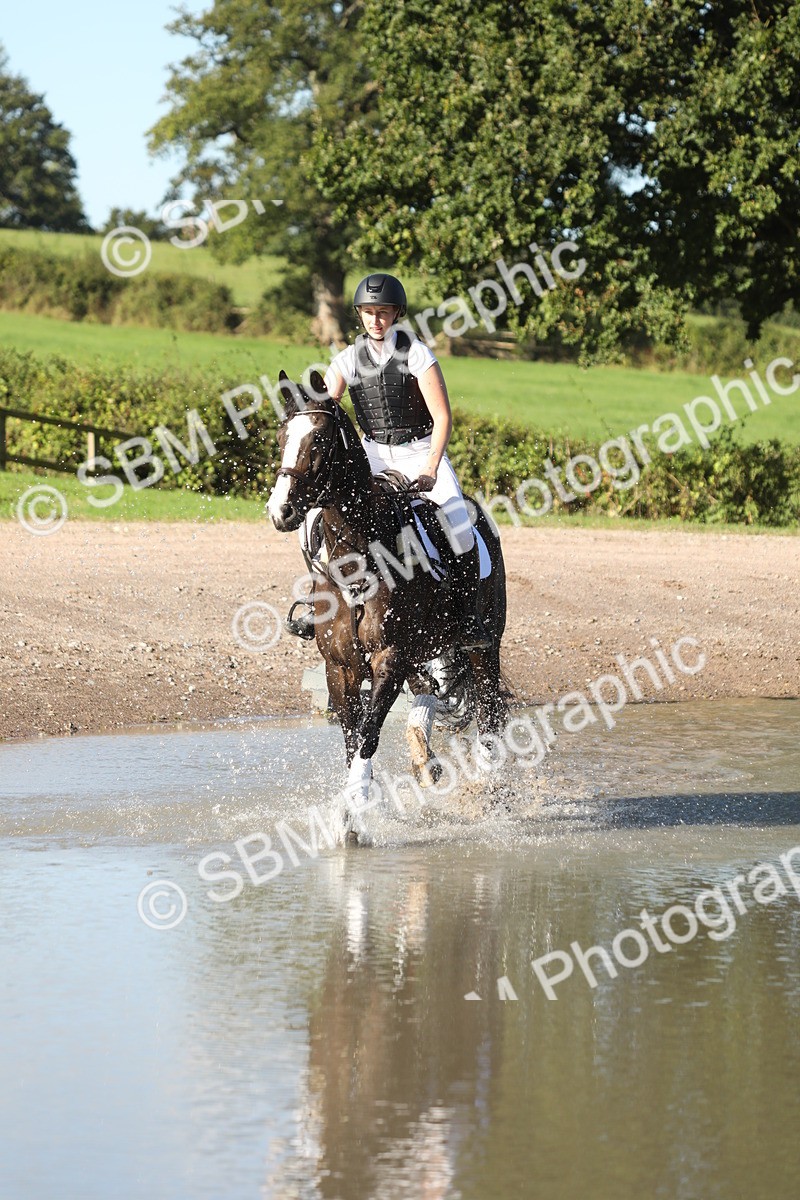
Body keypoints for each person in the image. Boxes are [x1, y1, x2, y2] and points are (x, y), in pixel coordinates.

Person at [287, 272, 491, 650]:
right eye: (368, 312)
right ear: (360, 315)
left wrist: (431, 467)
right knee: (315, 521)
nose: (375, 320)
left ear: (396, 314)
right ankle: (320, 606)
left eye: (383, 312)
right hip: (373, 455)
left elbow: (443, 417)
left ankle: (468, 617)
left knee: (459, 524)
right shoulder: (347, 359)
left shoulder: (416, 353)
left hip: (419, 452)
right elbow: (325, 407)